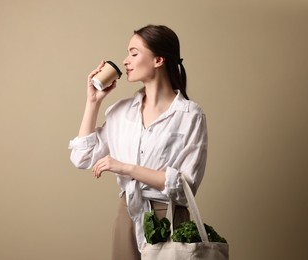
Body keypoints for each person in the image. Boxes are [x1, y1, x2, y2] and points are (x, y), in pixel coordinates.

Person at [68, 24, 208, 260]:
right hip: (128, 215)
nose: (125, 61)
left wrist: (126, 168)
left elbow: (185, 187)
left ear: (158, 59)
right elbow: (81, 158)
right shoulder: (120, 112)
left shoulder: (190, 115)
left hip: (170, 217)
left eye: (134, 53)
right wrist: (93, 102)